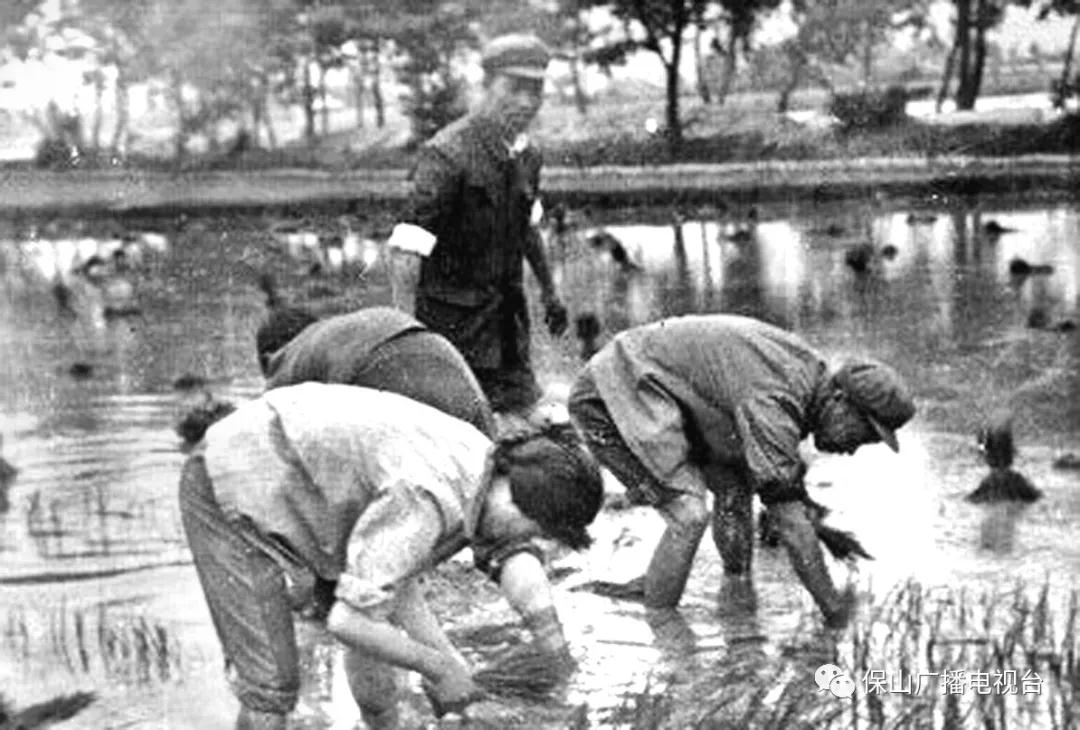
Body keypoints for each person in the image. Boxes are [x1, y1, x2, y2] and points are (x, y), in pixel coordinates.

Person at [180, 382, 604, 729]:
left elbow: (396, 583)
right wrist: (439, 668)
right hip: (229, 483)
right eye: (535, 531)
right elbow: (348, 621)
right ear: (517, 499)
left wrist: (448, 660)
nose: (528, 543)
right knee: (270, 686)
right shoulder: (428, 498)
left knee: (366, 630)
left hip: (286, 465)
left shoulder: (480, 462)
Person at [567, 314, 916, 626]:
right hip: (609, 396)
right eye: (862, 434)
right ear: (840, 400)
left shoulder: (806, 378)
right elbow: (791, 523)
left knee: (734, 488)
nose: (853, 449)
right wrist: (836, 614)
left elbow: (770, 482)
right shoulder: (778, 396)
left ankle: (736, 593)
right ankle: (665, 633)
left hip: (655, 389)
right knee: (688, 516)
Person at [386, 33, 568, 417]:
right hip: (454, 332)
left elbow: (527, 227)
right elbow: (406, 251)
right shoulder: (447, 154)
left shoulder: (528, 156)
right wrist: (406, 336)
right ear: (486, 85)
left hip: (507, 328)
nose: (526, 101)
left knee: (524, 421)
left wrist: (550, 292)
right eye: (514, 88)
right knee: (460, 427)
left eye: (535, 90)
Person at [257, 305, 494, 437]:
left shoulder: (283, 361)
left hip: (380, 365)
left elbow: (268, 441)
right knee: (483, 456)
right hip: (442, 351)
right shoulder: (332, 334)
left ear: (268, 357)